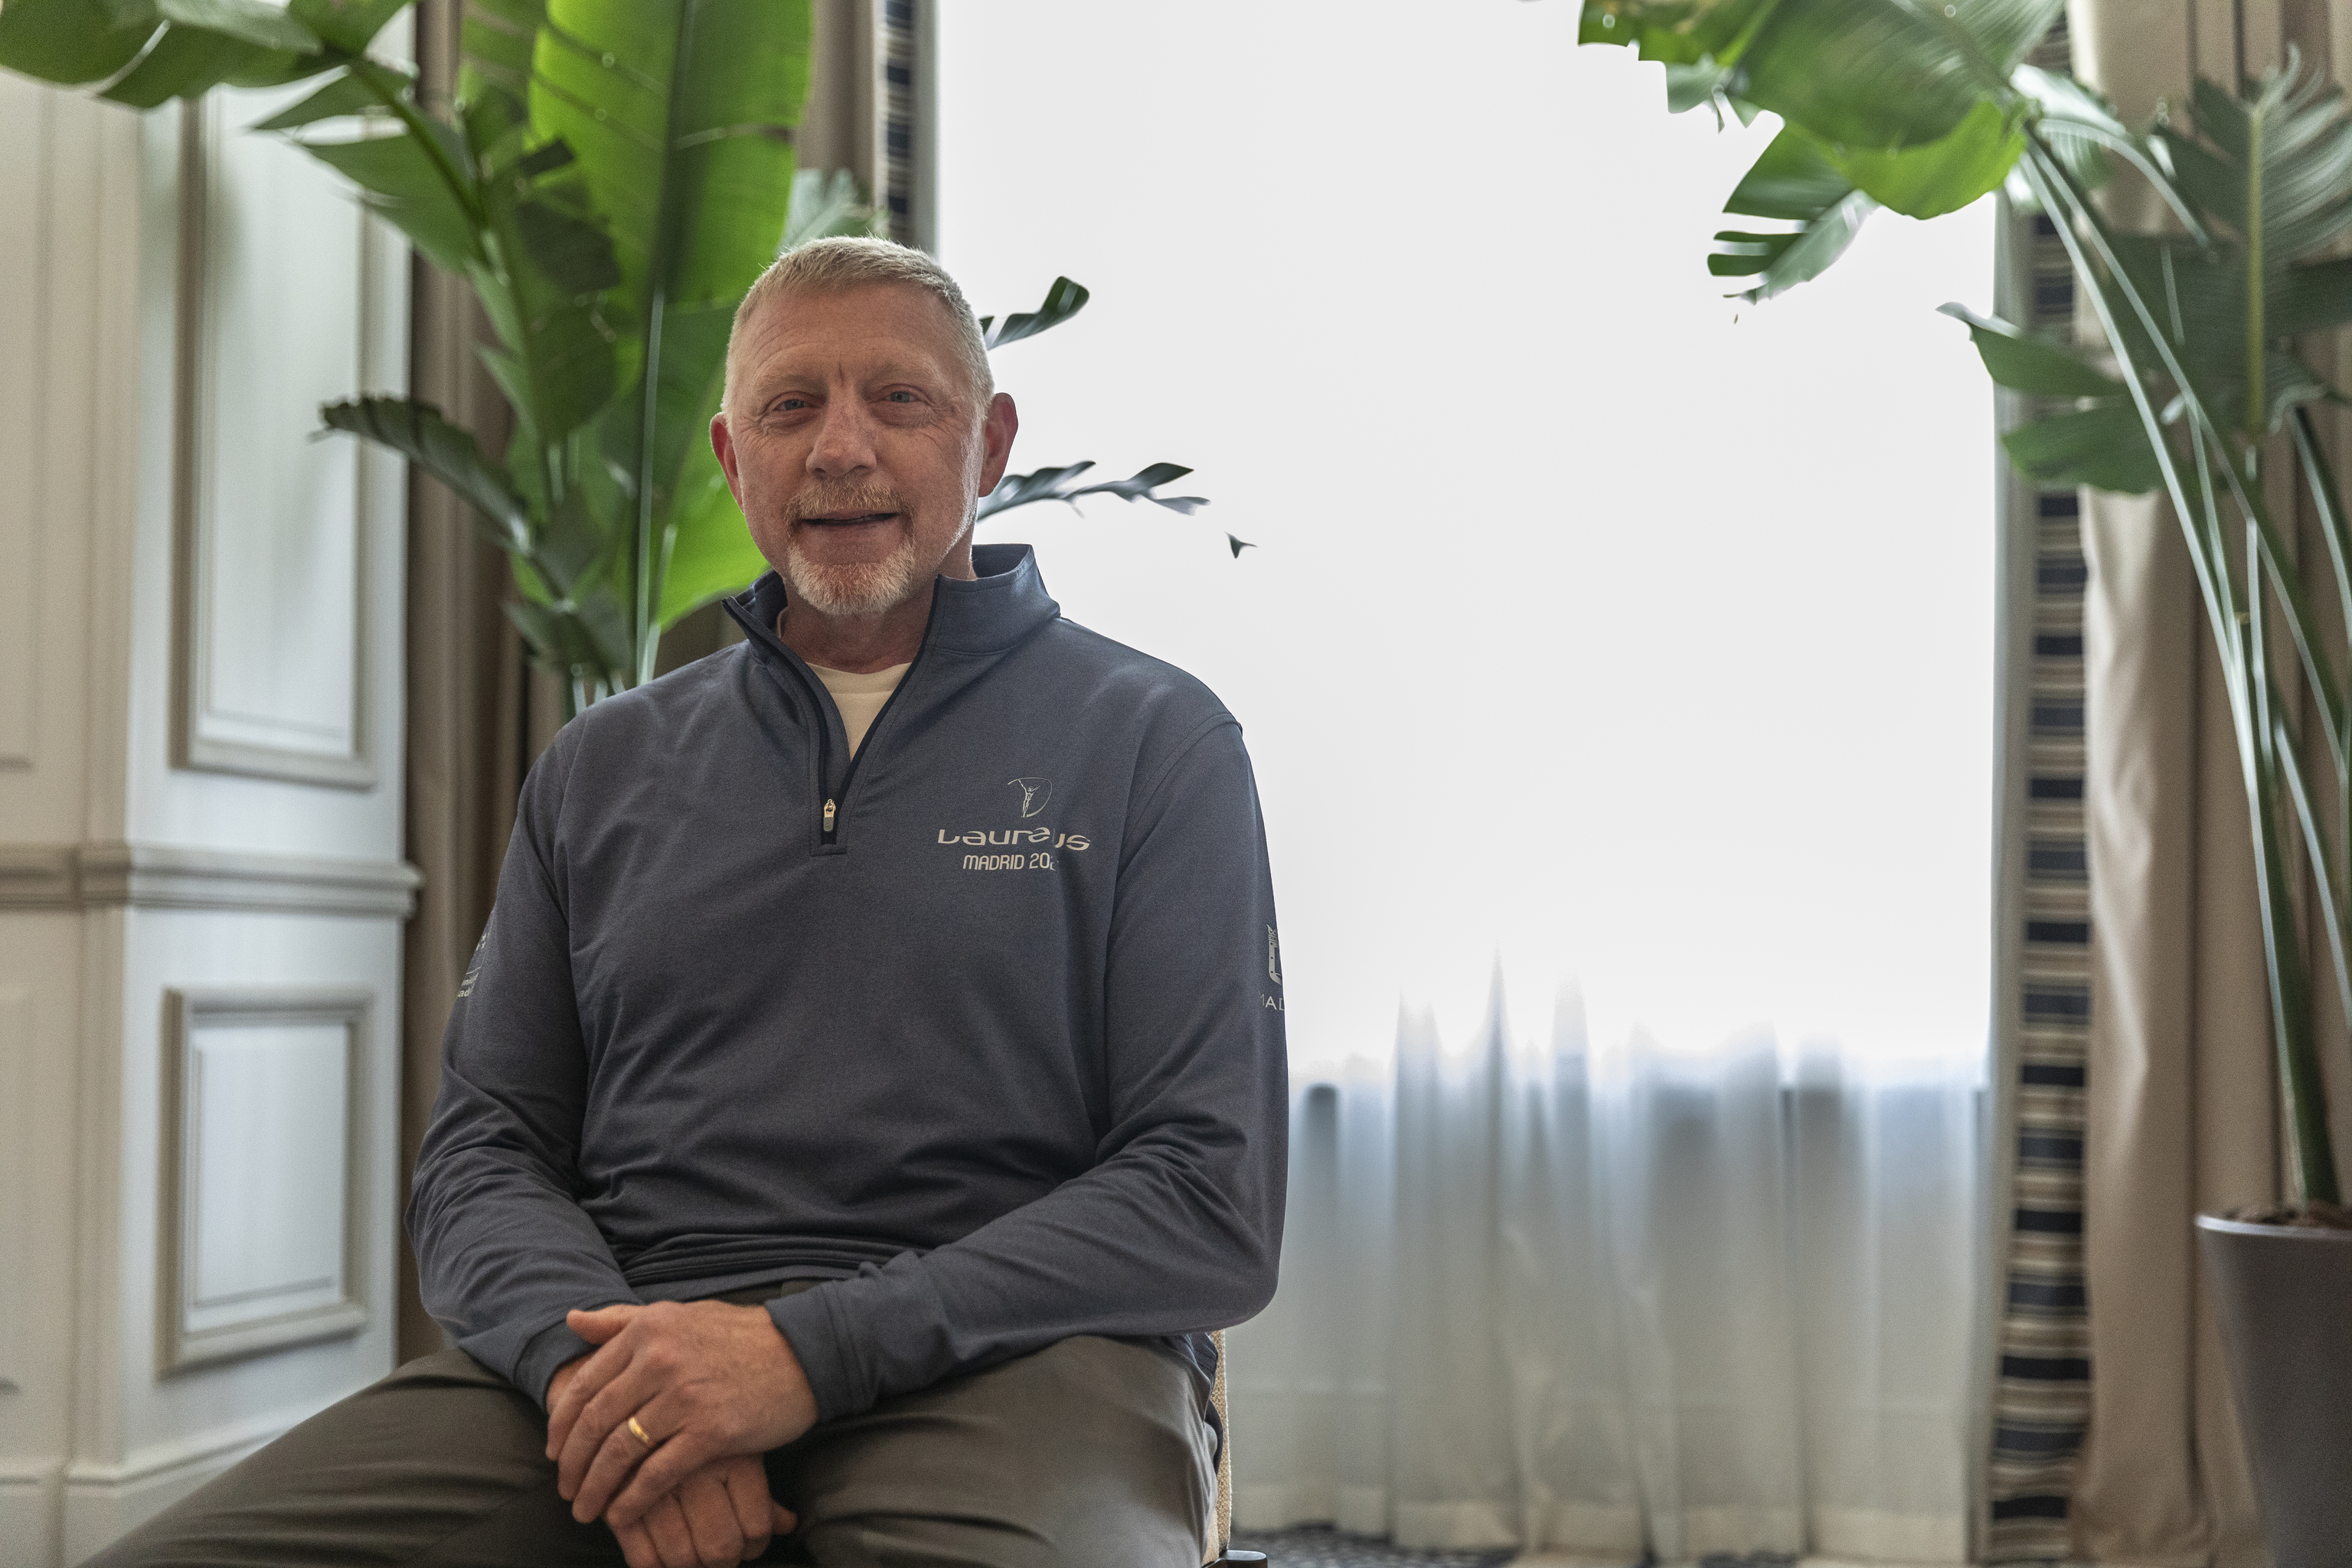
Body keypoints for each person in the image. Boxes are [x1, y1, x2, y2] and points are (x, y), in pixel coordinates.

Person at [89, 237, 1288, 1568]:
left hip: (1013, 1359)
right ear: (731, 457)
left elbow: (1204, 1195)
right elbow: (484, 1154)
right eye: (790, 407)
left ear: (991, 444)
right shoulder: (602, 765)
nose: (840, 448)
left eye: (899, 400)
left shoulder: (1155, 742)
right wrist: (609, 1390)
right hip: (621, 1352)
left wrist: (799, 1355)